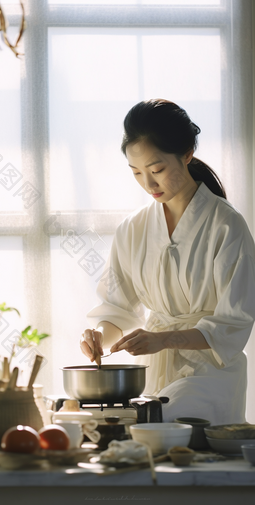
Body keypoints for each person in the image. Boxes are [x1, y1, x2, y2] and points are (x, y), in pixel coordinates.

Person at [80, 99, 255, 425]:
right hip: (157, 376)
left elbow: (233, 325)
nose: (148, 184)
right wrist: (97, 338)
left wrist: (164, 339)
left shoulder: (227, 226)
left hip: (211, 376)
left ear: (187, 153)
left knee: (161, 424)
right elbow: (117, 309)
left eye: (157, 169)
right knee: (140, 433)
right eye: (137, 173)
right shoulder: (132, 229)